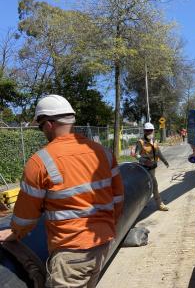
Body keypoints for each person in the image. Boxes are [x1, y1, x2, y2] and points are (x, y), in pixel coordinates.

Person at [0, 95, 124, 288]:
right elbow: (118, 198)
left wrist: (15, 233)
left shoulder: (40, 162)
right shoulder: (104, 153)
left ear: (49, 124)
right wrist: (106, 226)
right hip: (101, 244)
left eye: (40, 126)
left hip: (71, 254)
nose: (42, 131)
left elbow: (26, 217)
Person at [135, 122, 169, 211]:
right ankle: (159, 204)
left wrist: (165, 162)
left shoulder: (154, 141)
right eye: (147, 131)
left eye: (151, 131)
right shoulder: (140, 142)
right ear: (144, 131)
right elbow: (136, 155)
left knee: (149, 185)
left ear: (153, 131)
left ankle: (144, 203)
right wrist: (145, 161)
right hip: (143, 168)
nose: (149, 132)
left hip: (152, 167)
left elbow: (158, 153)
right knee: (153, 184)